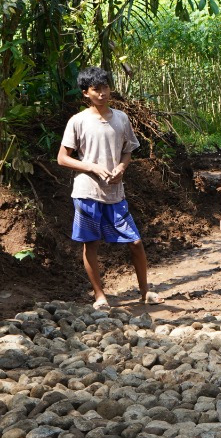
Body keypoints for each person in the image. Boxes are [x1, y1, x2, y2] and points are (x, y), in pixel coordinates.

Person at [57, 67, 159, 309]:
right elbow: (62, 158)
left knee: (135, 242)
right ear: (85, 93)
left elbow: (128, 151)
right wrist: (91, 167)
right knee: (91, 243)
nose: (102, 93)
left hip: (115, 192)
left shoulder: (121, 119)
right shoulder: (78, 121)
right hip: (86, 191)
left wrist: (122, 169)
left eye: (105, 87)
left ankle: (145, 292)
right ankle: (100, 295)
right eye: (96, 89)